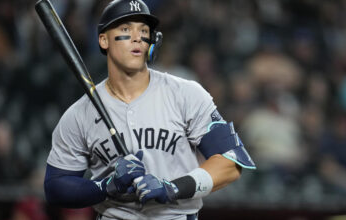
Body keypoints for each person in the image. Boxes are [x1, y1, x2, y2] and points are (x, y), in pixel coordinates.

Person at [43, 1, 256, 219]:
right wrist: (106, 186)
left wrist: (172, 188)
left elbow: (230, 162)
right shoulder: (80, 113)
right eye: (126, 29)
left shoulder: (186, 94)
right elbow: (55, 187)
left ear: (152, 41)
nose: (137, 37)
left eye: (143, 30)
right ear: (103, 40)